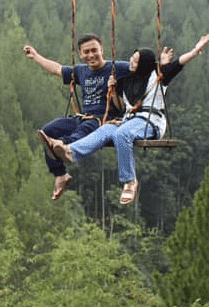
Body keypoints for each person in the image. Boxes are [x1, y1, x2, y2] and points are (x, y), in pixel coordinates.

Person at [39, 33, 209, 205]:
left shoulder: (158, 77)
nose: (131, 63)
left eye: (135, 61)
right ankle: (71, 152)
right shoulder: (127, 82)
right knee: (106, 129)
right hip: (129, 120)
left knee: (121, 134)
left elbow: (180, 62)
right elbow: (121, 107)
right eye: (131, 58)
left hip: (149, 122)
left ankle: (130, 181)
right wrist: (112, 90)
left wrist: (196, 50)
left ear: (143, 64)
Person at [24, 33, 131, 200]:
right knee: (49, 130)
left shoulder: (117, 68)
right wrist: (36, 57)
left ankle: (64, 145)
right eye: (86, 52)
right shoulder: (81, 71)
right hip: (83, 117)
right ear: (80, 54)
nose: (91, 55)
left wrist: (167, 65)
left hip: (104, 121)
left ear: (102, 50)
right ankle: (60, 174)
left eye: (94, 50)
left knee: (83, 131)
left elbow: (142, 66)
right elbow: (57, 69)